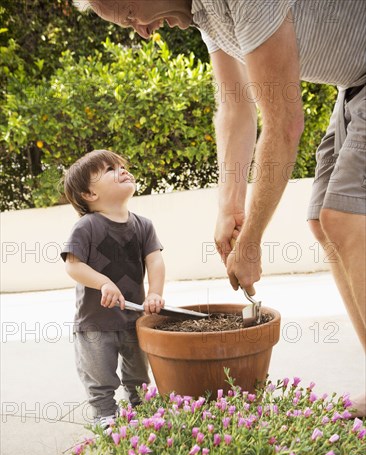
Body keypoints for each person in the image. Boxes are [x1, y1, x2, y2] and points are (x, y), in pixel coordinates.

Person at [72, 0, 365, 417]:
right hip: (352, 84)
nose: (142, 32)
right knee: (322, 220)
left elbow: (283, 122)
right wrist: (229, 207)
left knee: (345, 217)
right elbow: (235, 106)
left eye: (133, 16)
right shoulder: (206, 15)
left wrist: (252, 241)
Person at [61, 149, 165, 428]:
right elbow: (73, 265)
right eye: (110, 169)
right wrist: (104, 282)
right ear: (89, 194)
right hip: (95, 321)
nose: (122, 170)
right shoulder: (86, 227)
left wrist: (154, 292)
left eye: (121, 165)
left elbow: (155, 260)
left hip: (134, 318)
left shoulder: (144, 226)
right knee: (99, 376)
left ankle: (142, 413)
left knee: (138, 375)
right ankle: (105, 416)